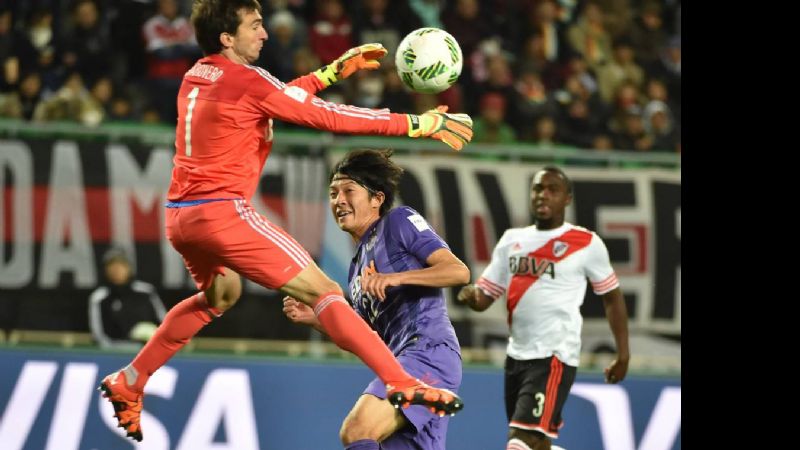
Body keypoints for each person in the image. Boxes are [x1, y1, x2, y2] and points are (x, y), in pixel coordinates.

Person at [98, 0, 471, 442]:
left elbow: (269, 100)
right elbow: (326, 116)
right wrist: (417, 123)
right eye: (254, 26)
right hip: (223, 211)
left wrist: (331, 74)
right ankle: (402, 383)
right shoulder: (247, 80)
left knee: (221, 294)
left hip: (181, 217)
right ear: (227, 37)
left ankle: (132, 379)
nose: (264, 34)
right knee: (326, 291)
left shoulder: (196, 76)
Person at [283, 149, 468, 450]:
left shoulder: (399, 221)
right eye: (332, 193)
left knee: (357, 431)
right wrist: (316, 320)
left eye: (348, 191)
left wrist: (397, 277)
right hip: (397, 364)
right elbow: (366, 338)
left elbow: (458, 271)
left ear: (376, 199)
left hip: (427, 351)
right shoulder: (356, 269)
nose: (338, 200)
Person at [457, 166, 630, 450]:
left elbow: (612, 297)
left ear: (567, 199)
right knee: (536, 441)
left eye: (553, 189)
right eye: (538, 188)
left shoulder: (585, 243)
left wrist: (623, 354)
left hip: (553, 355)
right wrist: (470, 294)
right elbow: (485, 296)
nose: (543, 195)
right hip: (517, 355)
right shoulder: (512, 240)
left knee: (519, 441)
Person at [88, 247, 167, 350]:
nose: (116, 269)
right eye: (111, 265)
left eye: (121, 265)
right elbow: (99, 336)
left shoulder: (146, 292)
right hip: (115, 354)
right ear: (105, 270)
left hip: (149, 352)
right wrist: (129, 350)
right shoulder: (99, 297)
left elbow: (165, 323)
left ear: (129, 268)